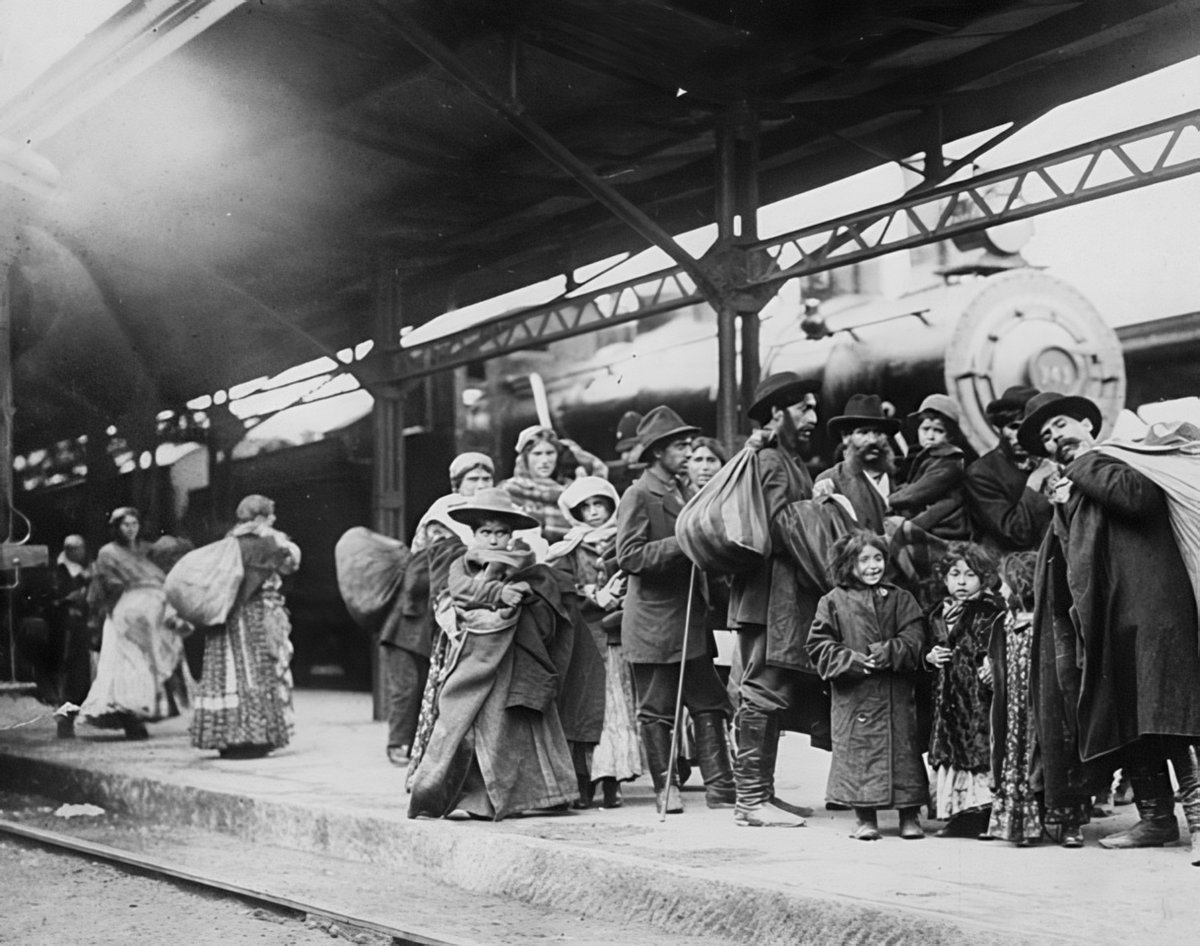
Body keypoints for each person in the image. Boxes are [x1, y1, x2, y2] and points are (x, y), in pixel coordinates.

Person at [1018, 393, 1200, 851]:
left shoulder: (1122, 456)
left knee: (1172, 714)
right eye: (1045, 437)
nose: (1054, 438)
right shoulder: (1076, 481)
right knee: (1130, 715)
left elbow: (1136, 501)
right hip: (1111, 615)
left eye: (1059, 425)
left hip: (1156, 607)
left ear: (1086, 423)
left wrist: (1081, 464)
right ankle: (1156, 819)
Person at [408, 488, 579, 820]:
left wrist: (522, 593)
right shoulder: (462, 563)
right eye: (486, 532)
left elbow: (538, 589)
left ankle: (543, 795)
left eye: (501, 533)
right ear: (474, 534)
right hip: (476, 656)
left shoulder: (525, 560)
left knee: (515, 725)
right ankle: (463, 797)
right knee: (465, 724)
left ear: (510, 535)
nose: (494, 539)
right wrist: (500, 591)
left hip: (515, 658)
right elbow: (461, 592)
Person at [617, 406, 735, 814]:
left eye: (689, 444)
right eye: (680, 446)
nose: (688, 452)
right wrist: (684, 543)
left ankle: (722, 788)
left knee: (710, 701)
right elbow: (629, 556)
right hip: (654, 622)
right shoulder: (639, 494)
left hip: (692, 619)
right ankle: (665, 789)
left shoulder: (687, 491)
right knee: (657, 710)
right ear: (657, 453)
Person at [727, 372, 820, 828]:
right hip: (768, 597)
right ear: (776, 413)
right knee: (763, 688)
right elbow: (784, 526)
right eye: (804, 407)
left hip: (779, 597)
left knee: (774, 690)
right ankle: (749, 800)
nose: (813, 417)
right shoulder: (769, 460)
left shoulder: (788, 459)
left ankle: (762, 793)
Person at [807, 530, 929, 840]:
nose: (873, 566)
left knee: (903, 752)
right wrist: (850, 661)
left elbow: (915, 638)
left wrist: (887, 652)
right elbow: (819, 646)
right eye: (864, 560)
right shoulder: (833, 601)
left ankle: (909, 814)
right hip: (855, 695)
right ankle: (865, 816)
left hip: (895, 694)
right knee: (859, 755)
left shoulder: (902, 598)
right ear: (849, 564)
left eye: (878, 558)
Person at [547, 476, 639, 808]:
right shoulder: (568, 548)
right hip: (584, 639)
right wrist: (592, 594)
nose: (594, 512)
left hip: (616, 635)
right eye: (585, 507)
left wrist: (620, 595)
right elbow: (560, 585)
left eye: (599, 503)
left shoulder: (624, 540)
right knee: (582, 710)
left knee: (615, 710)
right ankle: (582, 784)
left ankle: (612, 784)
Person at [190, 494, 301, 759]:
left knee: (226, 673)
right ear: (262, 517)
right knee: (258, 672)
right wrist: (280, 539)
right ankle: (254, 735)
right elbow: (291, 564)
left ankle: (225, 736)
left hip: (225, 616)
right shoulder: (268, 542)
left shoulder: (229, 542)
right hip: (256, 615)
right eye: (270, 515)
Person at [79, 508, 190, 740]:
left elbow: (167, 565)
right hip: (125, 611)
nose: (131, 529)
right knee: (127, 663)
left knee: (153, 661)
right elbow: (105, 584)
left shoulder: (147, 549)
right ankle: (131, 718)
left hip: (155, 610)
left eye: (134, 524)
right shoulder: (108, 552)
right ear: (116, 527)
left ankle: (150, 711)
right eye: (125, 525)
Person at [924, 542, 1005, 838]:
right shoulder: (936, 614)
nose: (961, 582)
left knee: (979, 754)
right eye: (954, 574)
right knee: (951, 754)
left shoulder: (990, 611)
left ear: (983, 579)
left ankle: (983, 814)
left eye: (969, 575)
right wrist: (930, 657)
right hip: (948, 700)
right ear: (944, 578)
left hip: (978, 700)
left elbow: (1001, 646)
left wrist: (992, 667)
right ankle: (957, 815)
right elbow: (924, 648)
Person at [984, 551, 1043, 846]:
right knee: (1014, 760)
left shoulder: (1041, 623)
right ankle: (1014, 824)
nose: (1000, 590)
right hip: (1012, 707)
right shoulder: (1006, 620)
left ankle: (1037, 824)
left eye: (1005, 584)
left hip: (1032, 707)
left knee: (1032, 759)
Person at [963, 386, 1055, 553]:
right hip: (1011, 568)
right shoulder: (981, 473)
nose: (1021, 436)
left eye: (1029, 428)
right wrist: (1035, 483)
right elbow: (1016, 534)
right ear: (1000, 429)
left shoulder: (1052, 462)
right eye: (1014, 427)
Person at [502, 426, 608, 544]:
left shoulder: (571, 491)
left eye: (550, 453)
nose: (545, 460)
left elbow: (600, 474)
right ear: (525, 458)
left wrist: (570, 450)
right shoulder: (511, 490)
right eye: (537, 454)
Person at [888, 394, 973, 540]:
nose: (930, 436)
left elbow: (917, 493)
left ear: (951, 435)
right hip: (931, 527)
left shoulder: (950, 462)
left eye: (938, 430)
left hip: (947, 532)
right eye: (925, 429)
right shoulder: (928, 456)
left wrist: (885, 500)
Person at [814, 394, 900, 533]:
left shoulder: (899, 475)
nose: (872, 440)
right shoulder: (831, 481)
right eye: (864, 432)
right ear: (846, 437)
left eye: (878, 433)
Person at [49, 535, 93, 707]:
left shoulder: (86, 567)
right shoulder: (60, 570)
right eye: (76, 549)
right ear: (69, 550)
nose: (80, 552)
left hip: (83, 618)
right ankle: (68, 700)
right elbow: (55, 595)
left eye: (81, 548)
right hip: (66, 621)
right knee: (70, 660)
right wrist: (70, 598)